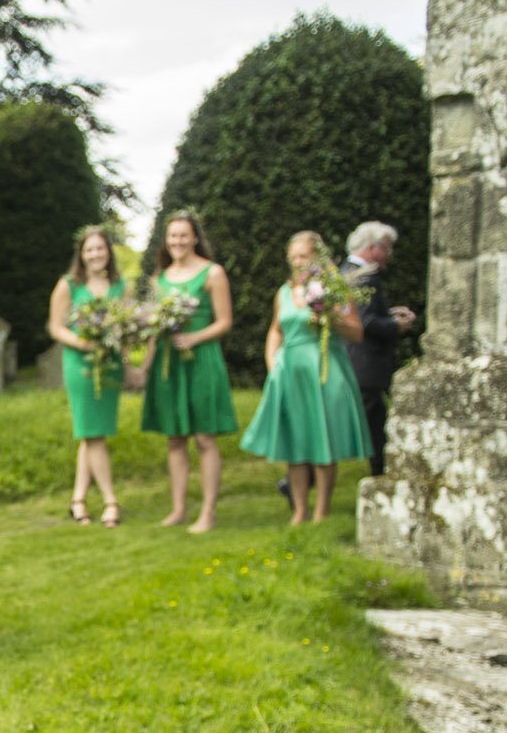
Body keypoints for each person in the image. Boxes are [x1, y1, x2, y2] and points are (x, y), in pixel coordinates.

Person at [240, 231, 371, 523]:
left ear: (318, 257)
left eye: (304, 256)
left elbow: (357, 332)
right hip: (291, 371)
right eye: (294, 258)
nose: (298, 262)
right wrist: (273, 361)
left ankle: (322, 510)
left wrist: (330, 317)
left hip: (324, 367)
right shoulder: (284, 292)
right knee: (296, 442)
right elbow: (276, 329)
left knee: (323, 438)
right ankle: (300, 510)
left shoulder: (334, 289)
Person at [138, 211, 236, 533]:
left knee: (205, 438)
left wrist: (194, 336)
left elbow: (224, 322)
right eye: (172, 236)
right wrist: (147, 365)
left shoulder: (213, 273)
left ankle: (208, 512)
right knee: (174, 438)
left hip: (202, 359)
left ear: (195, 237)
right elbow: (155, 328)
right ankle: (178, 508)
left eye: (183, 235)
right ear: (166, 241)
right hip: (169, 362)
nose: (177, 242)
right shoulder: (160, 278)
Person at [45, 224, 128, 526]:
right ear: (81, 254)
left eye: (100, 248)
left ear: (109, 251)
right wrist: (82, 341)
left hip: (110, 365)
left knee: (92, 433)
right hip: (80, 365)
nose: (95, 254)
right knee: (93, 433)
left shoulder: (120, 286)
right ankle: (110, 501)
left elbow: (126, 324)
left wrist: (128, 359)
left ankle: (78, 499)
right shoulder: (69, 285)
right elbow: (55, 326)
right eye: (89, 249)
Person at [341, 219, 418, 474]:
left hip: (356, 362)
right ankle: (380, 471)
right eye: (387, 248)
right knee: (369, 424)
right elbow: (365, 321)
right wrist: (396, 326)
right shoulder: (363, 278)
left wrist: (388, 313)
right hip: (366, 363)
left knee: (366, 421)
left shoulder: (346, 270)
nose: (390, 255)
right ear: (373, 248)